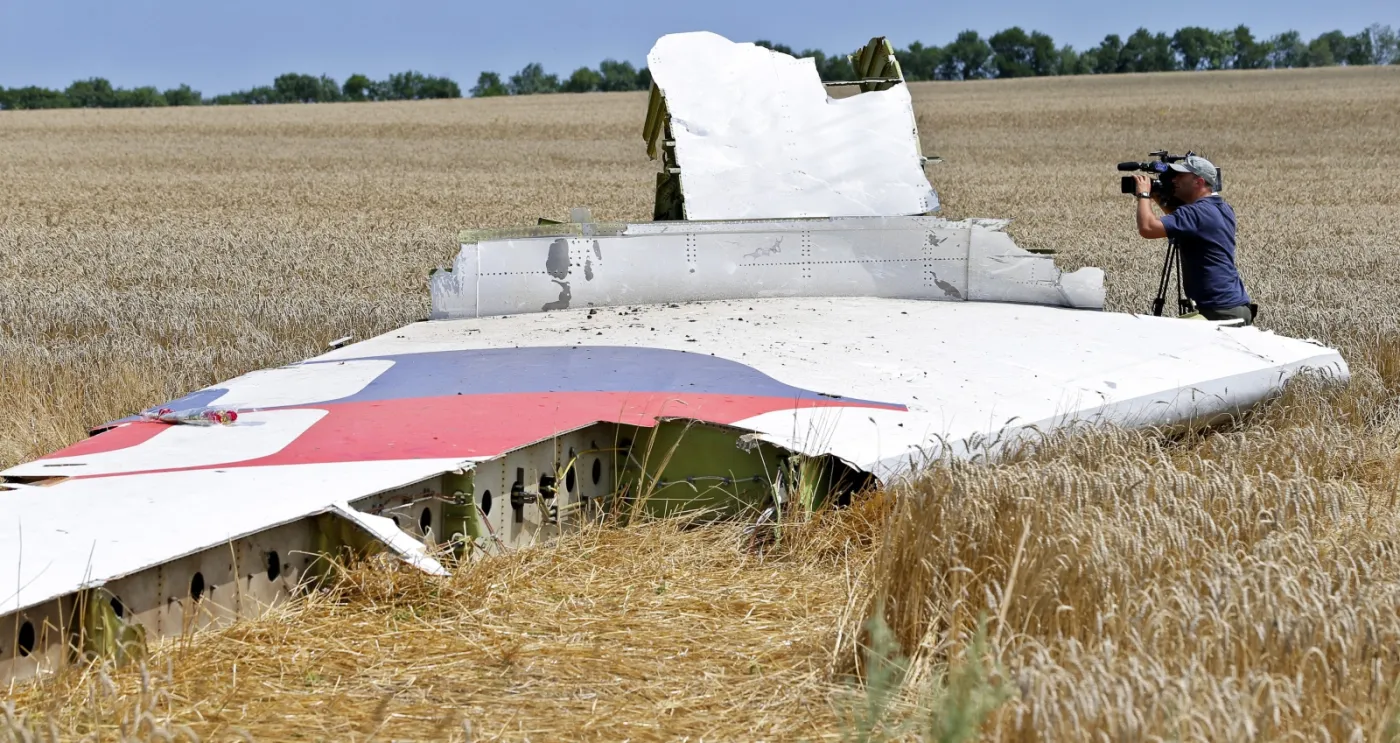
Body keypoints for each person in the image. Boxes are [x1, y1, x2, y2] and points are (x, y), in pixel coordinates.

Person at [1131, 155, 1254, 325]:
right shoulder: (1222, 207)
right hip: (1233, 305)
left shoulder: (1196, 213)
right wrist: (1158, 196)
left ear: (1199, 182)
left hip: (1217, 310)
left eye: (1181, 176)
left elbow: (1148, 228)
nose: (1175, 180)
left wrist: (1143, 195)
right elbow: (1184, 223)